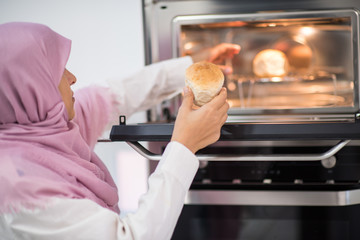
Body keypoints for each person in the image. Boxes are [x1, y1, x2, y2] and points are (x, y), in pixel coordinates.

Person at [0, 22, 240, 239]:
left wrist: (192, 68)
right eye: (58, 70)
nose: (73, 78)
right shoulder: (19, 186)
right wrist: (184, 146)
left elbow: (116, 94)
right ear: (29, 87)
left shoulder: (41, 127)